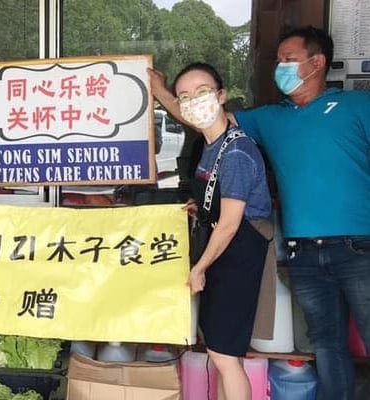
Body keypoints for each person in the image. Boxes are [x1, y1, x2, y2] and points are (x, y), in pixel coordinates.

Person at [151, 26, 370, 400]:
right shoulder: (269, 119)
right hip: (302, 250)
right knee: (328, 346)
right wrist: (159, 91)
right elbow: (204, 120)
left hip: (359, 247)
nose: (279, 67)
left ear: (317, 63)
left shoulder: (357, 106)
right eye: (278, 60)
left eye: (288, 59)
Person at [172, 63, 272, 400]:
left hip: (237, 255)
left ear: (221, 95)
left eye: (201, 92)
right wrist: (199, 206)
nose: (193, 101)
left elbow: (230, 223)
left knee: (226, 356)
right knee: (217, 350)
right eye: (184, 97)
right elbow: (219, 199)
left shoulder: (237, 152)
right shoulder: (212, 144)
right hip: (222, 252)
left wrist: (199, 268)